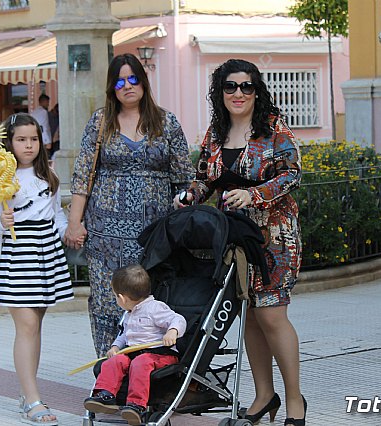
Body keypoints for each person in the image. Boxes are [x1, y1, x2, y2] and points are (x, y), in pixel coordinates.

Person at [173, 59, 306, 425]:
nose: (238, 93)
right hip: (232, 237)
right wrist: (189, 195)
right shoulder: (216, 132)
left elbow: (293, 173)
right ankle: (265, 395)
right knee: (247, 315)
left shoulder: (273, 127)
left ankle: (295, 400)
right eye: (230, 86)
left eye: (247, 87)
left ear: (257, 91)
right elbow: (204, 179)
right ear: (220, 92)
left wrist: (255, 194)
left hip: (274, 234)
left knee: (271, 313)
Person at [65, 53, 195, 357]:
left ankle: (149, 374)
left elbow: (184, 178)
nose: (127, 86)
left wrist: (186, 214)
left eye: (133, 78)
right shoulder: (100, 122)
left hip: (153, 236)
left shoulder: (166, 122)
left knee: (151, 303)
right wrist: (74, 221)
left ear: (143, 81)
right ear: (112, 87)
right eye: (120, 81)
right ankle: (108, 372)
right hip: (105, 237)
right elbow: (83, 174)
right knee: (107, 302)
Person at [0, 113, 73, 425]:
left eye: (33, 138)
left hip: (46, 254)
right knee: (27, 327)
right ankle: (33, 400)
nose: (28, 145)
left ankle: (26, 392)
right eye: (21, 139)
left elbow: (55, 216)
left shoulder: (49, 176)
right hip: (15, 255)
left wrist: (69, 231)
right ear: (9, 142)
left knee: (35, 328)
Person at [83, 264, 186, 426]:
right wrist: (116, 347)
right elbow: (124, 334)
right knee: (114, 361)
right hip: (136, 354)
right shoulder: (128, 314)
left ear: (122, 298)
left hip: (160, 355)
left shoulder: (154, 308)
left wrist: (172, 331)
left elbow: (178, 319)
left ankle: (136, 405)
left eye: (116, 297)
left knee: (140, 362)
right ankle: (106, 395)